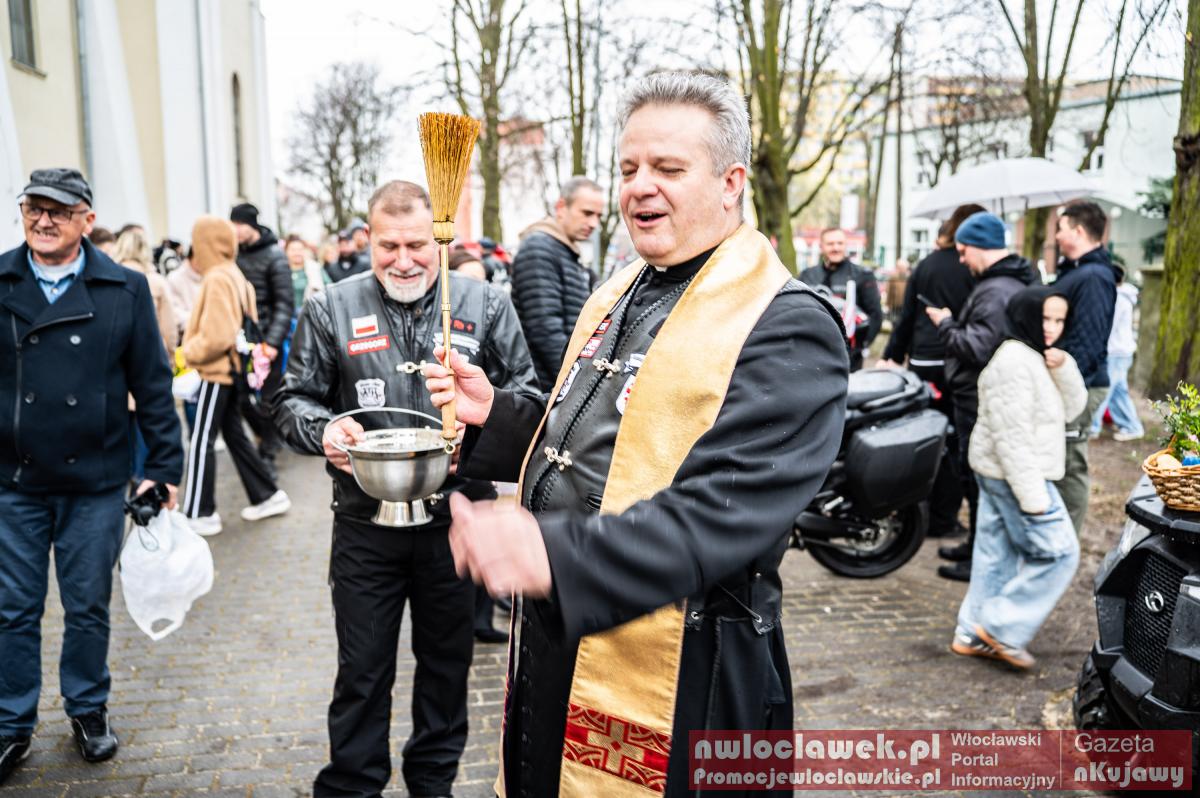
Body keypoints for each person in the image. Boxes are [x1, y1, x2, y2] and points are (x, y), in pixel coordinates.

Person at [423, 71, 848, 797]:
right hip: (563, 631)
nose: (639, 187)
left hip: (691, 674)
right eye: (628, 169)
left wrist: (549, 551)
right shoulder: (620, 290)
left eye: (668, 168)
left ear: (731, 183)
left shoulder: (788, 324)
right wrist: (498, 416)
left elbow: (721, 510)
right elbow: (599, 440)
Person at [273, 180, 539, 798]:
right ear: (368, 239)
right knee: (362, 671)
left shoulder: (484, 302)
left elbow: (527, 395)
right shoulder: (332, 306)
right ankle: (353, 785)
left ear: (439, 240)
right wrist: (323, 429)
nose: (403, 260)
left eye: (416, 245)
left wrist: (483, 420)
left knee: (447, 669)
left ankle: (432, 783)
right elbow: (291, 401)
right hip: (364, 522)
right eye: (388, 246)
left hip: (457, 523)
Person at [0, 169, 182, 784]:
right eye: (34, 208)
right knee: (13, 608)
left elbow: (152, 384)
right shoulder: (2, 279)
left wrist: (163, 469)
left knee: (86, 605)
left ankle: (86, 708)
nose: (44, 220)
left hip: (96, 479)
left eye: (58, 210)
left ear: (87, 219)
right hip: (14, 479)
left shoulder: (123, 287)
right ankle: (10, 723)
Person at [952, 286, 1085, 669]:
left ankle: (971, 633)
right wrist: (1033, 498)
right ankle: (1002, 628)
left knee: (995, 556)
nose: (1052, 327)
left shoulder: (1036, 356)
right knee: (1061, 553)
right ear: (1027, 315)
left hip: (1004, 472)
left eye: (1059, 320)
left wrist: (1064, 368)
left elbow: (1071, 410)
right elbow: (1012, 436)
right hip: (1018, 475)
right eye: (1045, 318)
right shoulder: (1014, 361)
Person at [926, 211, 1038, 581]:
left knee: (979, 479)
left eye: (963, 251)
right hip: (978, 395)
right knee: (974, 477)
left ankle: (980, 558)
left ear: (981, 246)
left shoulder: (996, 291)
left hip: (978, 398)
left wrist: (945, 324)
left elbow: (977, 347)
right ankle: (976, 547)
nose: (960, 259)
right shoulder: (1000, 285)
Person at [180, 217, 291, 536]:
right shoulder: (235, 273)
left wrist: (187, 352)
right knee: (234, 436)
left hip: (216, 370)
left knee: (201, 438)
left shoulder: (217, 277)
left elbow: (218, 335)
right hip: (234, 370)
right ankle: (267, 495)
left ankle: (199, 512)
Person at [879, 203, 984, 539]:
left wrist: (892, 355)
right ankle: (944, 517)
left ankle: (917, 510)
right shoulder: (975, 268)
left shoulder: (926, 265)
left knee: (927, 438)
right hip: (959, 360)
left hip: (923, 361)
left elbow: (907, 316)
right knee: (956, 440)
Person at [1052, 201, 1120, 533]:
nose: (1056, 235)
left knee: (1069, 464)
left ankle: (1067, 541)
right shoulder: (1078, 271)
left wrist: (1069, 388)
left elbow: (1088, 344)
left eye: (1061, 228)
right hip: (1070, 382)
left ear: (1078, 231)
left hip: (1081, 385)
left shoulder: (1093, 277)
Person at [510, 176, 605, 390]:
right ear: (561, 207)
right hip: (544, 387)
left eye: (598, 216)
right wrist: (573, 385)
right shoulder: (539, 249)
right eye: (587, 213)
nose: (594, 224)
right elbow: (545, 330)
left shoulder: (566, 252)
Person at [229, 203, 294, 476]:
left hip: (267, 340)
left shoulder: (275, 256)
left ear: (251, 225)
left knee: (268, 400)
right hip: (241, 340)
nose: (234, 230)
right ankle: (269, 438)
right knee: (241, 398)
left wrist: (273, 343)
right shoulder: (234, 255)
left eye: (239, 225)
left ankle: (267, 454)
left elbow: (284, 303)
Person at [113, 227, 180, 484]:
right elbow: (169, 329)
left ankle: (126, 477)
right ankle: (142, 481)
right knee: (147, 430)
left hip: (114, 371)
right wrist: (171, 358)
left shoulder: (106, 280)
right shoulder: (155, 282)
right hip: (146, 366)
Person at [798, 227, 883, 371]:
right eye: (830, 244)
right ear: (821, 246)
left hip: (849, 355)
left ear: (845, 245)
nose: (836, 248)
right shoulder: (807, 275)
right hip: (813, 352)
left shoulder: (862, 275)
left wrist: (861, 346)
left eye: (840, 243)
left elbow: (876, 315)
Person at [1091, 272, 1144, 441]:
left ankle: (1093, 427)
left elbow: (1109, 327)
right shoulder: (1123, 297)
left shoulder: (1118, 299)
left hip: (1116, 352)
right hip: (1120, 352)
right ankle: (1131, 426)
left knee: (1105, 390)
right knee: (1117, 392)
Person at [285, 235, 329, 311]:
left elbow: (329, 288)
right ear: (286, 251)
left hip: (311, 313)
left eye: (300, 249)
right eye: (293, 250)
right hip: (285, 314)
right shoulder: (280, 270)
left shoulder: (315, 268)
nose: (297, 253)